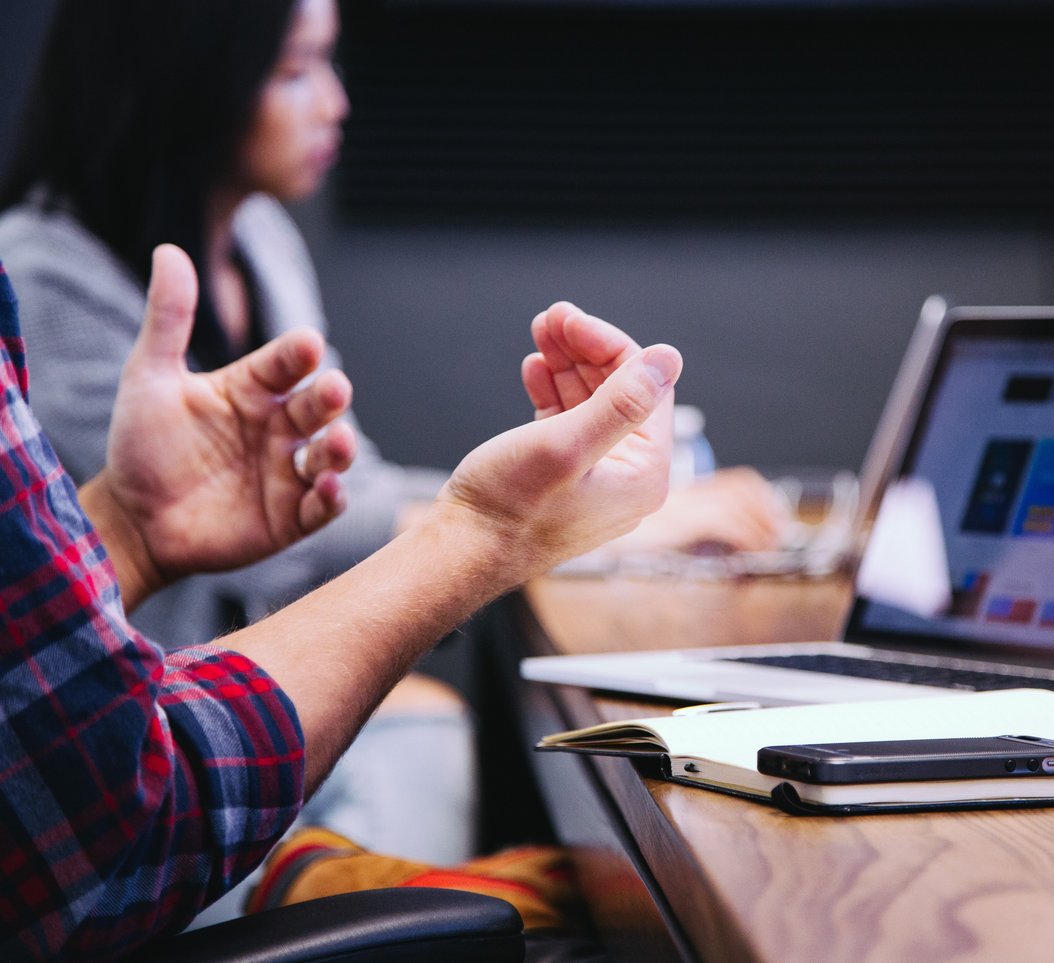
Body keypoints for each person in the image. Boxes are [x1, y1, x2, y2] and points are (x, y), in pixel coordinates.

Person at [0, 0, 785, 887]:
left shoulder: (258, 238)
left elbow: (334, 490)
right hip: (144, 770)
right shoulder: (41, 276)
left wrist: (530, 516)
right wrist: (551, 523)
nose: (334, 102)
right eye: (295, 70)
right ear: (185, 79)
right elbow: (306, 538)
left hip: (227, 708)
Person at [0, 242, 683, 960]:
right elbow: (113, 815)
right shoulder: (45, 265)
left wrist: (127, 533)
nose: (339, 118)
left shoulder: (263, 237)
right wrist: (488, 531)